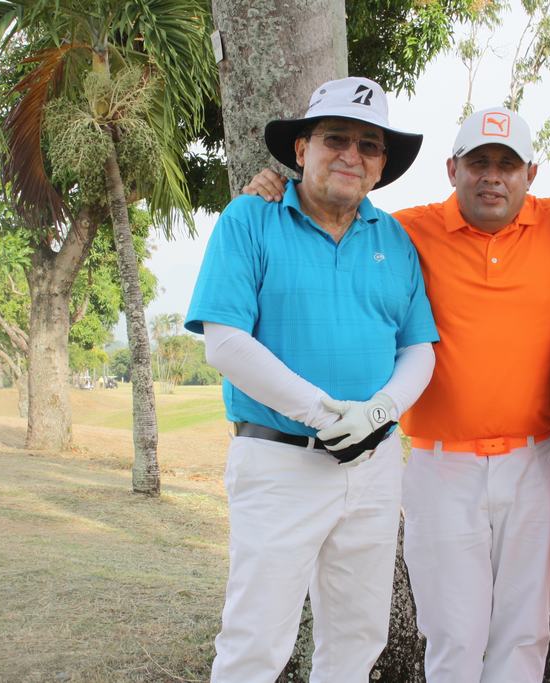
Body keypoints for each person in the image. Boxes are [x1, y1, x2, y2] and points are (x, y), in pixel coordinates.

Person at [243, 106, 550, 682]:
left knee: (525, 632)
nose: (493, 176)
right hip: (443, 466)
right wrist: (279, 187)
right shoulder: (406, 231)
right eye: (479, 163)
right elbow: (341, 212)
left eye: (507, 164)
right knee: (451, 633)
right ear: (452, 169)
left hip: (538, 460)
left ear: (531, 175)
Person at [185, 76, 439, 683]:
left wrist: (375, 414)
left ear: (380, 165)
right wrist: (327, 415)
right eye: (335, 138)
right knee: (256, 640)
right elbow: (224, 342)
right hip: (280, 462)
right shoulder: (250, 219)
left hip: (373, 465)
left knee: (358, 635)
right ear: (301, 150)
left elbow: (420, 347)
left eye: (368, 145)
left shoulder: (395, 238)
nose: (351, 154)